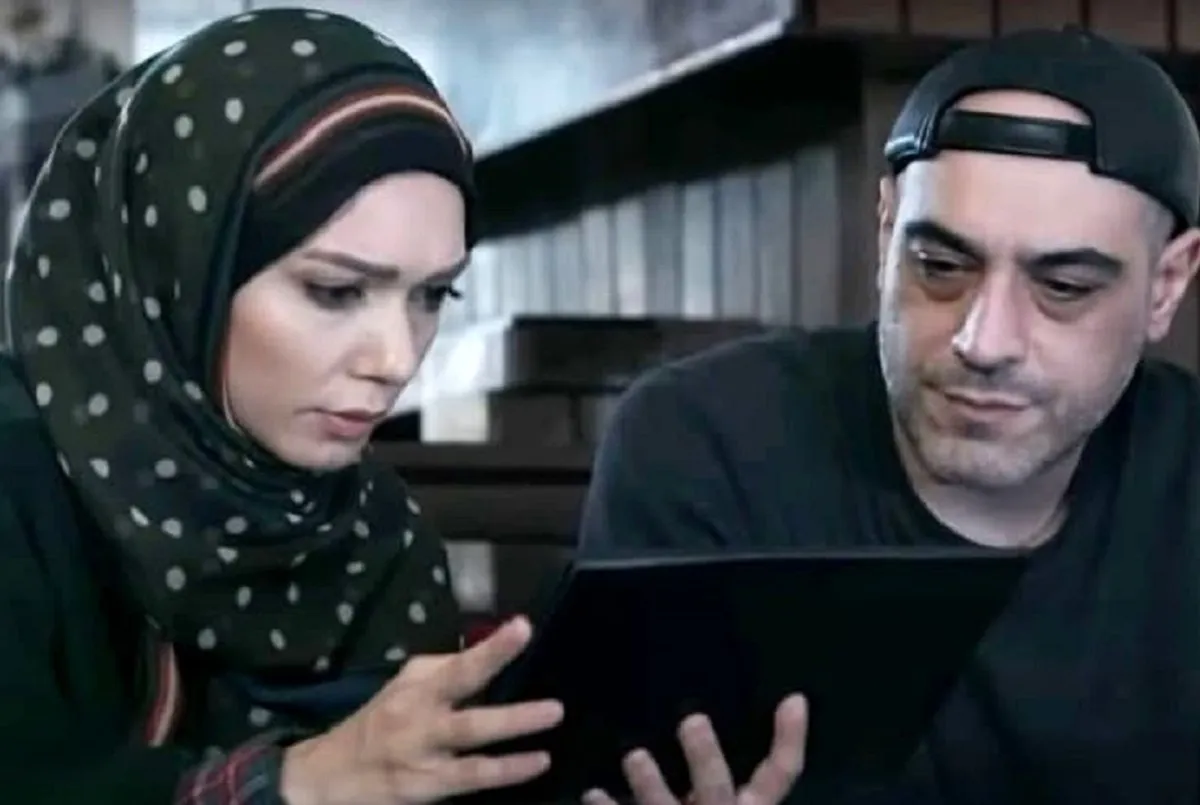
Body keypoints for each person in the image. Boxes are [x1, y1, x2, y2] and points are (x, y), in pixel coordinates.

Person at [0, 8, 806, 805]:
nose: (396, 359)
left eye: (430, 296)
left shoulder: (375, 545)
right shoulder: (18, 481)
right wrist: (294, 783)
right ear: (178, 267)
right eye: (335, 289)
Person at [579, 27, 1200, 805]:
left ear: (1167, 285)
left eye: (1064, 287)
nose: (983, 341)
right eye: (939, 266)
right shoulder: (706, 445)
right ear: (885, 233)